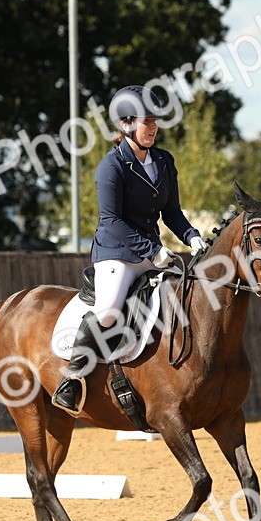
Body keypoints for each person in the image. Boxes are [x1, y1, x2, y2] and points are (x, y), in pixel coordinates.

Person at [52, 85, 209, 414]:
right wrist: (153, 250)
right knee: (109, 310)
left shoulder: (164, 161)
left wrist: (192, 236)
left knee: (185, 297)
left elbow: (172, 213)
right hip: (116, 254)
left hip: (153, 253)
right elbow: (112, 221)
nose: (153, 126)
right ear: (125, 124)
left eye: (156, 120)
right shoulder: (112, 167)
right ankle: (73, 375)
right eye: (146, 120)